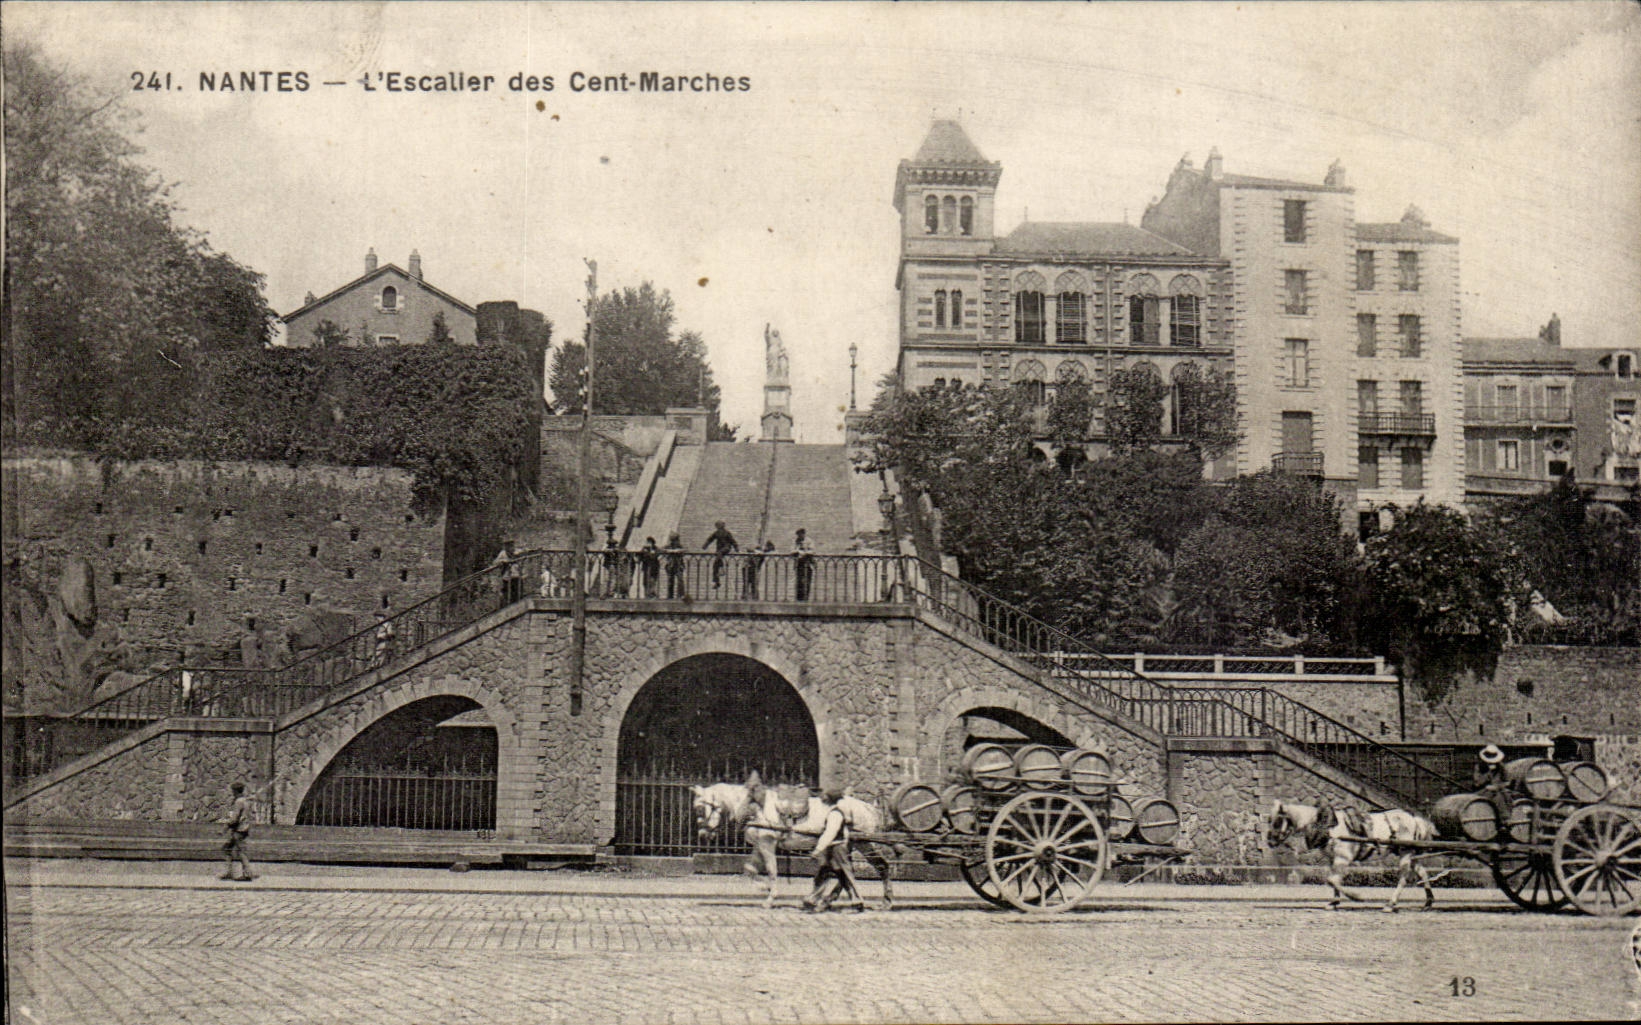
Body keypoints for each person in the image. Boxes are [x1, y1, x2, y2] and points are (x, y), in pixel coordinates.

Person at [802, 788, 865, 913]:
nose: (822, 798)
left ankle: (858, 901)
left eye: (825, 796)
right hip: (832, 848)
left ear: (829, 799)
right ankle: (812, 899)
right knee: (825, 873)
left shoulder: (835, 814)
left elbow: (830, 833)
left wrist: (818, 849)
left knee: (845, 874)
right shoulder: (832, 812)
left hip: (837, 848)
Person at [217, 782, 255, 882]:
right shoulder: (246, 800)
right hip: (244, 828)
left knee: (241, 852)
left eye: (232, 791)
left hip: (239, 829)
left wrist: (224, 828)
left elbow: (235, 818)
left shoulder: (239, 802)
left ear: (235, 791)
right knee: (227, 849)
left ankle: (247, 874)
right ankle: (229, 872)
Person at [704, 520, 738, 593]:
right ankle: (717, 581)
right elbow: (710, 539)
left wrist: (736, 548)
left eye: (719, 526)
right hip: (719, 550)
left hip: (726, 548)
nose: (718, 527)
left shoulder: (727, 533)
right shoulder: (716, 533)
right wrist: (705, 545)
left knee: (717, 560)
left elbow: (732, 541)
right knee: (715, 565)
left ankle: (720, 569)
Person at [793, 528, 815, 601]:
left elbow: (812, 551)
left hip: (808, 564)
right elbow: (792, 550)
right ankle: (799, 598)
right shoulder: (796, 541)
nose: (799, 536)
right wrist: (798, 551)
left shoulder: (809, 541)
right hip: (799, 564)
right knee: (799, 582)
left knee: (806, 581)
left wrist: (804, 552)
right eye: (798, 534)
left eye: (801, 534)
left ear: (803, 534)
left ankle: (806, 598)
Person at [664, 533, 687, 599]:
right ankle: (670, 596)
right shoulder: (668, 546)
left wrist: (679, 551)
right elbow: (662, 549)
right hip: (670, 565)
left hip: (679, 565)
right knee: (670, 581)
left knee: (680, 580)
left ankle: (681, 595)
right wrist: (670, 551)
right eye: (673, 540)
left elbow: (685, 550)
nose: (675, 542)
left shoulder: (680, 546)